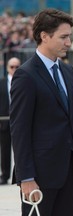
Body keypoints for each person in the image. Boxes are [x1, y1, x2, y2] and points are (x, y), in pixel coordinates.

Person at [10, 8, 73, 216]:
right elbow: (20, 130)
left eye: (69, 37)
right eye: (63, 37)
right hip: (39, 177)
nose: (69, 43)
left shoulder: (68, 71)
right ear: (44, 36)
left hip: (70, 175)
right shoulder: (25, 76)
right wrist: (26, 178)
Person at [0, 57, 20, 185]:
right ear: (7, 68)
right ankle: (5, 175)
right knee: (5, 150)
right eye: (12, 67)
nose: (14, 69)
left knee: (20, 149)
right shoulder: (1, 83)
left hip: (20, 121)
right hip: (5, 122)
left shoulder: (24, 80)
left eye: (17, 67)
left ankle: (20, 175)